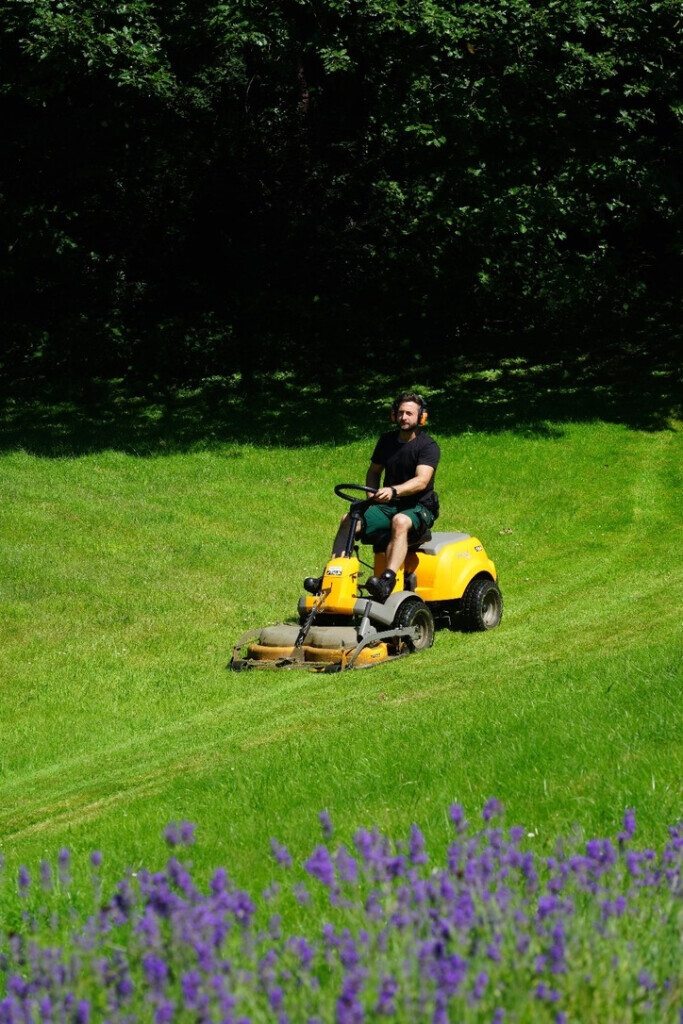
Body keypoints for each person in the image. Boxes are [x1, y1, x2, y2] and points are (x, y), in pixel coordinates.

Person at [304, 391, 441, 602]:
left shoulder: (428, 446)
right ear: (394, 415)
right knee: (349, 520)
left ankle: (387, 581)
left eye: (409, 414)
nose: (404, 417)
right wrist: (371, 494)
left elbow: (421, 481)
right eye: (401, 413)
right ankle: (332, 577)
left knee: (400, 521)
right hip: (388, 505)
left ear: (421, 417)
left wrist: (394, 490)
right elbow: (374, 471)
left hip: (419, 507)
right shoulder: (386, 441)